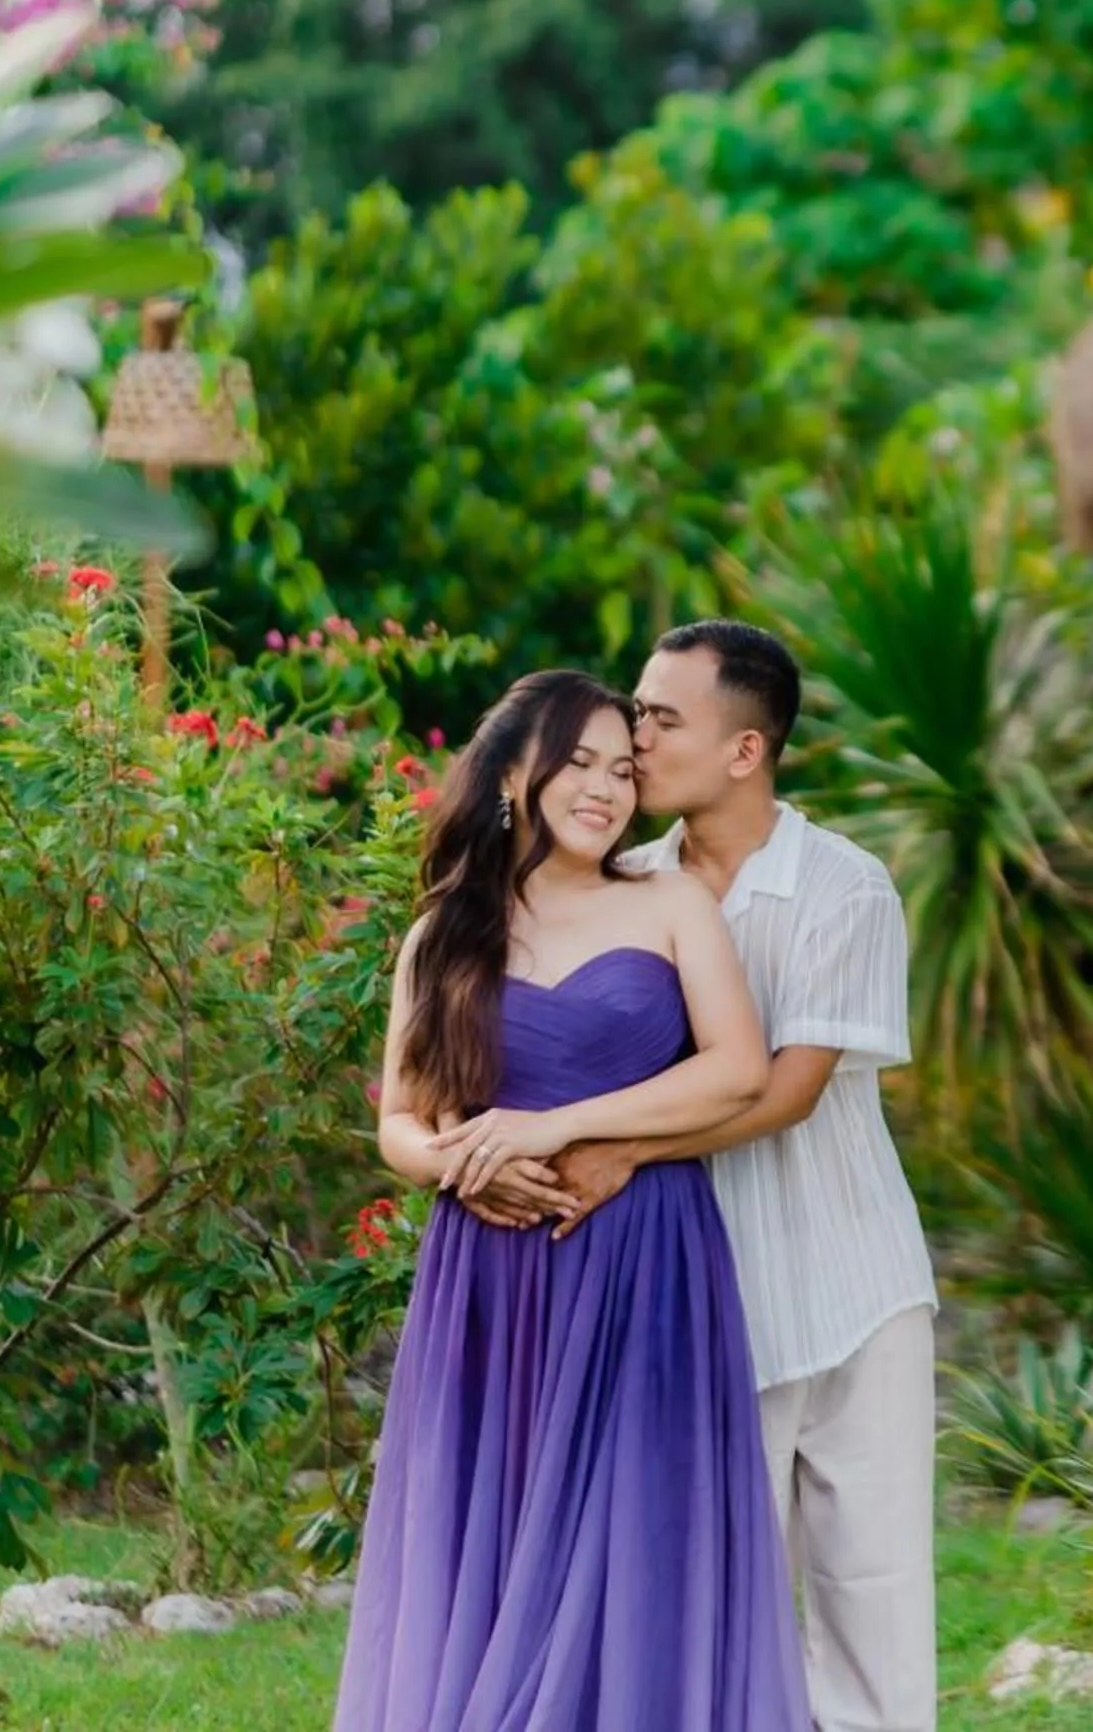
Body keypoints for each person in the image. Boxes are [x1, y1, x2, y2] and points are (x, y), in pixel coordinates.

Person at [332, 669, 809, 1732]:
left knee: (633, 1523)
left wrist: (551, 1129)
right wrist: (461, 1163)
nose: (605, 788)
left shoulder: (669, 903)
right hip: (491, 1271)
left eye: (623, 769)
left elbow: (737, 1070)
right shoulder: (444, 933)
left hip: (644, 1255)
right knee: (496, 1528)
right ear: (514, 773)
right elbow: (400, 1121)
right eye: (579, 762)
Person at [556, 620, 940, 1732]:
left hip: (855, 1281)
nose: (634, 737)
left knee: (872, 1591)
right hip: (699, 1283)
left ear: (745, 750)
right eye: (636, 710)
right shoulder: (624, 885)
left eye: (661, 718)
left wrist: (623, 1150)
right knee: (712, 1591)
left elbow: (786, 1091)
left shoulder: (844, 888)